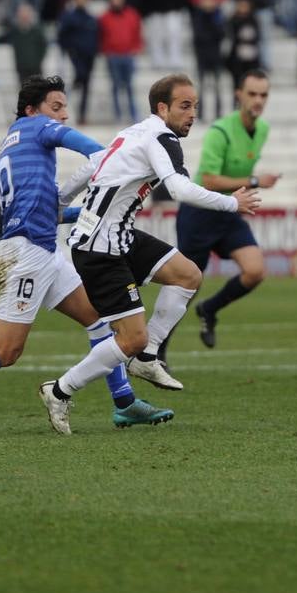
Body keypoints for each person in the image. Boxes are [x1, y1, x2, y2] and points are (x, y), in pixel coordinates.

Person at [0, 76, 178, 426]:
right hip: (24, 255)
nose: (62, 116)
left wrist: (89, 211)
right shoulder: (36, 127)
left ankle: (124, 402)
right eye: (56, 108)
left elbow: (50, 210)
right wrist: (124, 167)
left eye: (64, 108)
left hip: (43, 249)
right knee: (6, 351)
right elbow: (97, 153)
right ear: (32, 110)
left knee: (99, 318)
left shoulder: (14, 143)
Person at [39, 74, 261, 433]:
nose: (192, 114)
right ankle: (60, 391)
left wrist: (61, 201)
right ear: (163, 108)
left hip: (118, 237)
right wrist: (232, 203)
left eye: (195, 106)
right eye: (184, 106)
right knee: (131, 336)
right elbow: (178, 188)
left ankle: (146, 356)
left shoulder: (132, 132)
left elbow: (93, 165)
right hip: (99, 250)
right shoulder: (161, 137)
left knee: (188, 274)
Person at [165, 70, 278, 360]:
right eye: (252, 94)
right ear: (239, 94)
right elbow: (209, 180)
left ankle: (210, 309)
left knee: (255, 271)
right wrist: (254, 181)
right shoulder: (220, 131)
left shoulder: (262, 129)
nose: (258, 100)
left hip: (228, 212)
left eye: (263, 95)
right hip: (200, 212)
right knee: (185, 285)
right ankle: (156, 350)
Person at [57, 0, 99, 124]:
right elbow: (62, 35)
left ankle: (82, 114)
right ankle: (62, 103)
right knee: (79, 76)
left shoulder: (91, 17)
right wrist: (67, 49)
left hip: (89, 56)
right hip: (75, 55)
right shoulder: (69, 17)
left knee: (86, 84)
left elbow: (96, 36)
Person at [99, 0, 141, 123]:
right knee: (116, 85)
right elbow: (101, 36)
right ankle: (118, 114)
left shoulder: (132, 14)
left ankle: (133, 113)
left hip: (128, 54)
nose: (116, 1)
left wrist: (136, 47)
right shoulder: (104, 17)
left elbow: (137, 32)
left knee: (129, 86)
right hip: (113, 56)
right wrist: (106, 51)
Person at [224, 0, 261, 95]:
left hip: (251, 58)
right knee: (237, 84)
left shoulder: (253, 20)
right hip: (236, 59)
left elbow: (256, 37)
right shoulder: (232, 20)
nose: (243, 8)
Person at [8, 3, 47, 83]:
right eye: (22, 15)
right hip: (21, 67)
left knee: (38, 91)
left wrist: (37, 61)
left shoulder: (37, 31)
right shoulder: (15, 32)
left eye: (26, 15)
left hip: (35, 68)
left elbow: (43, 47)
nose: (24, 17)